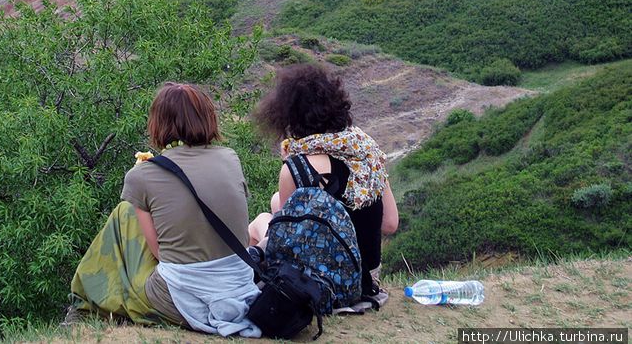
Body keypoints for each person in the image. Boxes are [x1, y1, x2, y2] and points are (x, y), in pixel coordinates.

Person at [70, 82, 261, 337]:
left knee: (124, 214)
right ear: (207, 118)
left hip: (181, 300)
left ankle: (83, 302)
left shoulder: (143, 175)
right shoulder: (229, 157)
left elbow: (160, 252)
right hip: (239, 288)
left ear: (158, 123)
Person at [247, 63, 399, 305]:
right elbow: (390, 224)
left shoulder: (297, 168)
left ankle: (250, 288)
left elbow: (288, 241)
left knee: (259, 223)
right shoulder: (368, 153)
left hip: (319, 283)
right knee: (277, 202)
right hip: (364, 282)